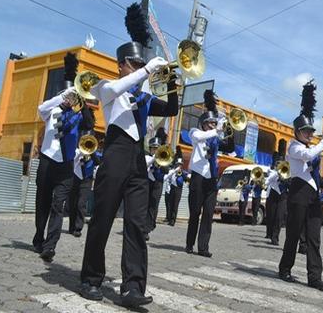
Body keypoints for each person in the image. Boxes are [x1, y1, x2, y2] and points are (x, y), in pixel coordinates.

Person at [79, 40, 178, 307]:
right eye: (134, 64)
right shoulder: (107, 87)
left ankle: (132, 287)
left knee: (136, 224)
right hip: (115, 153)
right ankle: (90, 278)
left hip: (137, 158)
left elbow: (171, 109)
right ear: (121, 65)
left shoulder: (142, 97)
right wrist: (146, 72)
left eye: (141, 65)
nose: (139, 68)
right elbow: (112, 88)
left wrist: (171, 83)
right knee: (102, 218)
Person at [278, 80, 323, 292]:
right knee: (293, 235)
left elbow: (314, 175)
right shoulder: (293, 147)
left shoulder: (310, 146)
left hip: (313, 196)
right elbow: (308, 155)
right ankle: (285, 268)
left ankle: (315, 277)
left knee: (314, 238)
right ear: (296, 131)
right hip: (298, 194)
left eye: (310, 130)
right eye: (305, 131)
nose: (309, 133)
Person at [33, 52, 86, 262]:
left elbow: (89, 122)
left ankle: (50, 245)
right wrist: (62, 97)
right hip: (47, 160)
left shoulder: (78, 114)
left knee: (58, 205)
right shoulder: (51, 110)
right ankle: (39, 237)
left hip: (66, 165)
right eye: (67, 96)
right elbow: (40, 108)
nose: (69, 99)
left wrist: (79, 97)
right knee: (42, 203)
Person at [185, 90, 234, 257]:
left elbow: (230, 148)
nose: (214, 125)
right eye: (211, 123)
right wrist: (216, 129)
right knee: (194, 213)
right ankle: (189, 244)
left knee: (208, 214)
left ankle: (203, 247)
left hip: (212, 179)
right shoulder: (195, 132)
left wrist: (230, 128)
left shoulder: (216, 139)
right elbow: (199, 137)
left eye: (215, 123)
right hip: (198, 177)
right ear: (204, 123)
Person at [69, 130, 101, 238]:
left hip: (87, 179)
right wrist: (81, 153)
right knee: (72, 203)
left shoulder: (94, 153)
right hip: (75, 178)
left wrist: (91, 152)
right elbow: (72, 160)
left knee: (81, 204)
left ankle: (78, 228)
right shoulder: (77, 151)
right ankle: (71, 226)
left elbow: (98, 162)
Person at [144, 131, 168, 240]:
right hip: (147, 182)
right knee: (145, 205)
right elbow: (145, 166)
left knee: (153, 205)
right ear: (150, 149)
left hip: (158, 184)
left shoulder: (163, 159)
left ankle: (149, 225)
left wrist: (160, 163)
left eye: (157, 149)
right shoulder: (147, 158)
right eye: (153, 149)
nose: (155, 151)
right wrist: (153, 159)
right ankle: (144, 230)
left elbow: (166, 171)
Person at [265, 159, 288, 245]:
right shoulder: (274, 174)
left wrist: (283, 179)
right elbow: (267, 181)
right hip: (273, 195)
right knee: (271, 216)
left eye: (280, 166)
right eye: (278, 166)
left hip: (283, 196)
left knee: (279, 217)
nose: (279, 168)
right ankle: (270, 234)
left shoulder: (287, 174)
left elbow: (289, 182)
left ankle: (275, 238)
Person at [165, 162, 186, 226]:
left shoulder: (183, 172)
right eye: (177, 165)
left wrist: (181, 173)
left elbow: (185, 178)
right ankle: (169, 219)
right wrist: (174, 171)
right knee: (170, 204)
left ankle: (173, 220)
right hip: (172, 188)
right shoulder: (172, 171)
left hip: (178, 189)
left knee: (175, 205)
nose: (179, 166)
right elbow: (168, 178)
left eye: (180, 165)